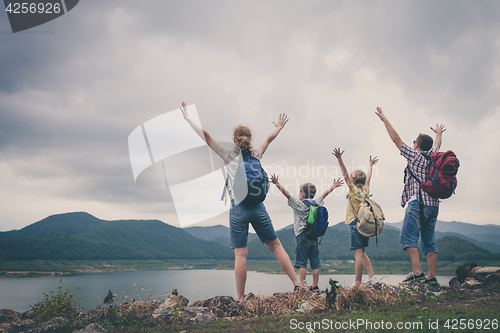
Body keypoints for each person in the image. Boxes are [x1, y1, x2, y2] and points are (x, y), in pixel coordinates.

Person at [180, 102, 300, 302]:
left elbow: (207, 136)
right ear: (249, 140)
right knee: (276, 246)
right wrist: (279, 126)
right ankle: (298, 284)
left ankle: (241, 298)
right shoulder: (256, 154)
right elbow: (269, 139)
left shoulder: (228, 156)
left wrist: (188, 119)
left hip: (238, 208)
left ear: (234, 140)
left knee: (241, 254)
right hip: (258, 207)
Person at [375, 106, 445, 285]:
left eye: (414, 141)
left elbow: (396, 139)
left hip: (417, 204)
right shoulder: (434, 156)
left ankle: (417, 273)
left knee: (407, 238)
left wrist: (384, 119)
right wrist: (438, 133)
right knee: (429, 241)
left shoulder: (416, 157)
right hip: (433, 206)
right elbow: (437, 145)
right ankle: (431, 277)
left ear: (417, 145)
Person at [270, 175, 344, 292]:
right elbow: (324, 195)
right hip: (314, 236)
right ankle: (315, 286)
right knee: (315, 263)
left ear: (302, 195)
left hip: (301, 236)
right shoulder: (316, 203)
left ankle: (303, 286)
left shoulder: (299, 204)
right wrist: (333, 186)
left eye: (299, 192)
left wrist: (277, 183)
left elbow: (287, 194)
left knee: (302, 263)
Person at [332, 148, 380, 286]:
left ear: (353, 181)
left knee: (358, 255)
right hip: (364, 224)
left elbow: (344, 173)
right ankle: (372, 277)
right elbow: (369, 178)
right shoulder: (366, 190)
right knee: (363, 253)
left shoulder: (353, 190)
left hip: (355, 223)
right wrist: (370, 165)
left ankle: (357, 284)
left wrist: (339, 158)